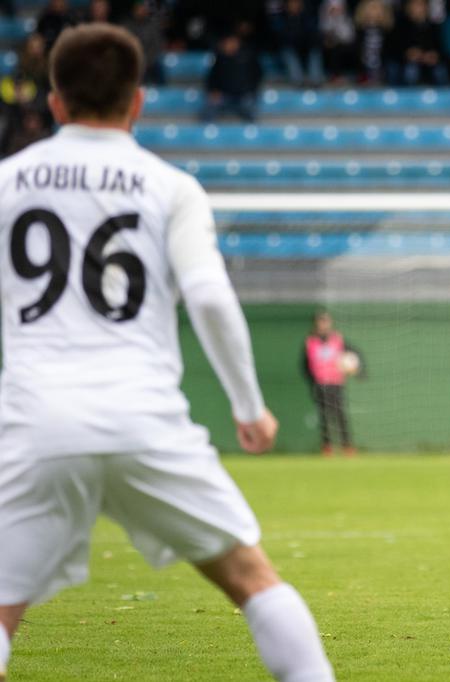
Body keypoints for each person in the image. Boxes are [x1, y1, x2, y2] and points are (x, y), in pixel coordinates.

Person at [0, 25, 334, 681]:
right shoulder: (169, 187)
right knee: (250, 576)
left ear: (56, 102)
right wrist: (249, 407)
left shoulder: (6, 182)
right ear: (138, 102)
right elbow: (209, 299)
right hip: (144, 419)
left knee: (4, 611)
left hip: (37, 423)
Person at [303, 311, 357, 457]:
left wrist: (356, 369)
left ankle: (347, 446)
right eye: (321, 321)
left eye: (326, 320)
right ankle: (327, 447)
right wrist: (311, 382)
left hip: (336, 383)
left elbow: (352, 355)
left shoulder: (338, 339)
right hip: (320, 384)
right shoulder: (310, 342)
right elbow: (305, 365)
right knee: (324, 417)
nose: (323, 324)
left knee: (340, 415)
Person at [201, 30, 263, 123]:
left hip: (243, 95)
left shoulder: (248, 57)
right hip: (224, 95)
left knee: (251, 109)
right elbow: (211, 78)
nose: (230, 45)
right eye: (228, 43)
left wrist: (251, 90)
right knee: (209, 108)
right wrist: (213, 90)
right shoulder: (220, 59)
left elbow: (258, 75)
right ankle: (205, 131)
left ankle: (252, 132)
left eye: (233, 42)